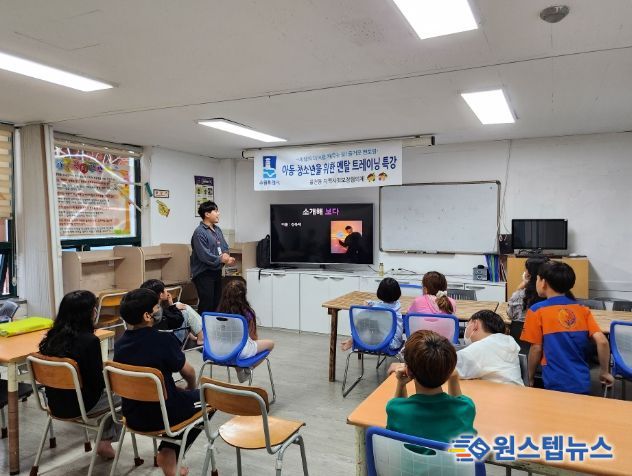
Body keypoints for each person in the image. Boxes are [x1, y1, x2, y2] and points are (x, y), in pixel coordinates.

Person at [114, 289, 200, 476]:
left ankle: (168, 453)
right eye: (157, 307)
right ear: (147, 316)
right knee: (208, 398)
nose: (160, 310)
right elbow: (189, 373)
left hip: (132, 414)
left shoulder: (119, 344)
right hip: (163, 415)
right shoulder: (164, 340)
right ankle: (169, 452)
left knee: (177, 395)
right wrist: (191, 388)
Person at [39, 290, 120, 458]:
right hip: (83, 405)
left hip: (55, 403)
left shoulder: (51, 338)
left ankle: (104, 440)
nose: (96, 311)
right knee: (126, 394)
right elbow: (97, 384)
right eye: (94, 308)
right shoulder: (90, 341)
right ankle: (105, 441)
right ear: (88, 313)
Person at [521, 261, 614, 394]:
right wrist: (604, 372)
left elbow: (536, 348)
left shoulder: (537, 310)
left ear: (543, 282)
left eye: (537, 279)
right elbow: (603, 341)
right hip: (582, 381)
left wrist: (529, 377)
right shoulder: (582, 309)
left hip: (554, 380)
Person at [386, 330, 476, 442]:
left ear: (408, 371)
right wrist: (453, 378)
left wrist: (401, 384)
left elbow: (399, 408)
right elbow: (458, 403)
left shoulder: (394, 408)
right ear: (450, 371)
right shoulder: (466, 408)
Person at [216, 279, 275, 382]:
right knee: (271, 344)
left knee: (235, 346)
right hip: (240, 352)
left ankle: (239, 370)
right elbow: (253, 337)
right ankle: (248, 369)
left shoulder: (219, 312)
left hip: (220, 350)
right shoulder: (247, 313)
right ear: (243, 295)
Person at [190, 201, 235, 315]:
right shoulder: (199, 232)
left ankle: (213, 326)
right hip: (203, 273)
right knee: (207, 304)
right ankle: (202, 326)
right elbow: (204, 255)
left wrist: (226, 256)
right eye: (215, 211)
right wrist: (221, 259)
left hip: (216, 271)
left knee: (217, 303)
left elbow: (224, 246)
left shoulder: (217, 229)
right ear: (207, 214)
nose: (218, 213)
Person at [340, 277, 403, 352]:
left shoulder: (375, 309)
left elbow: (359, 317)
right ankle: (352, 340)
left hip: (379, 342)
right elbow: (381, 304)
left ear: (379, 292)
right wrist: (370, 303)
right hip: (393, 343)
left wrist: (366, 307)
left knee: (363, 321)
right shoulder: (397, 307)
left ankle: (353, 340)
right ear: (398, 293)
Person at [140, 279, 204, 346]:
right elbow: (178, 320)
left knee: (178, 305)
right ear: (161, 295)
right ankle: (201, 337)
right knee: (185, 310)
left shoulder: (148, 308)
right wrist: (173, 306)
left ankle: (192, 336)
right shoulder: (159, 312)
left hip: (155, 338)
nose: (166, 291)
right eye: (165, 289)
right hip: (170, 340)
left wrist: (172, 305)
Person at [507, 256, 549, 321]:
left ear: (529, 275)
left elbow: (510, 314)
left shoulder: (520, 295)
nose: (525, 272)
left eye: (526, 269)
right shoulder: (553, 294)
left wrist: (523, 284)